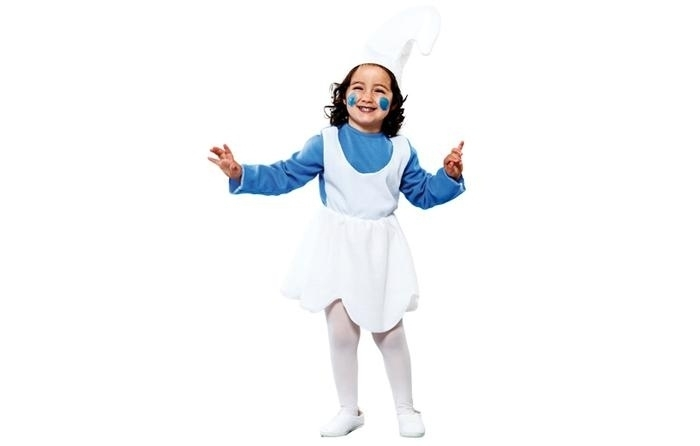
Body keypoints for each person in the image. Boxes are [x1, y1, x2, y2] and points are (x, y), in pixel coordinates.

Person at [208, 7, 464, 437]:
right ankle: (349, 409)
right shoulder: (325, 143)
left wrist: (449, 177)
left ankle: (405, 407)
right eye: (357, 87)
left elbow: (422, 193)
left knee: (389, 331)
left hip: (381, 252)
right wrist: (241, 173)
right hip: (336, 248)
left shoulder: (401, 150)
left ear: (393, 103)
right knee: (341, 330)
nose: (367, 96)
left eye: (379, 90)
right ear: (343, 96)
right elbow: (285, 175)